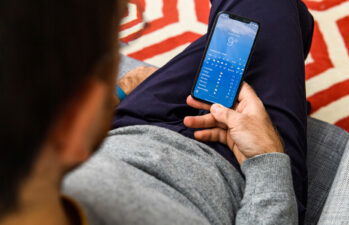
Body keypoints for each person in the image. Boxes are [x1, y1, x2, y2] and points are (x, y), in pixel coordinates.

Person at [0, 0, 313, 225]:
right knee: (275, 12)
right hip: (236, 164)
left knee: (264, 21)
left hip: (127, 128)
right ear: (74, 123)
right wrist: (268, 160)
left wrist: (117, 95)